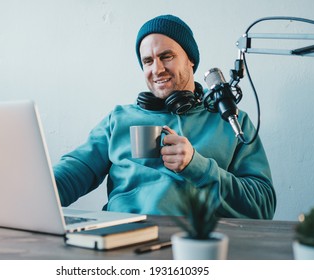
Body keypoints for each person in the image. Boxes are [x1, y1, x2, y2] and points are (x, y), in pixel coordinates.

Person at [53, 15, 276, 219]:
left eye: (166, 56)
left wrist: (196, 166)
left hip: (193, 244)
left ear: (191, 60)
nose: (157, 69)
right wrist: (30, 192)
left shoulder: (230, 121)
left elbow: (262, 206)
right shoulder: (119, 119)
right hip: (122, 239)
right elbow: (72, 173)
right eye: (148, 61)